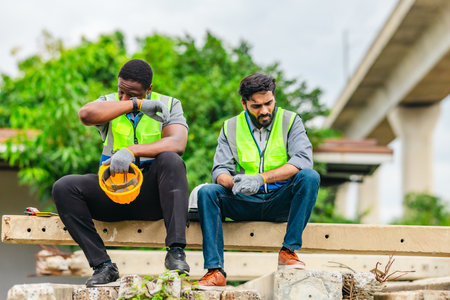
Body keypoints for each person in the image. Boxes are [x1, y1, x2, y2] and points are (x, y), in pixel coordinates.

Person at [52, 59, 190, 286]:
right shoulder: (108, 102)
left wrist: (131, 150)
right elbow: (85, 115)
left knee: (172, 160)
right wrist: (135, 105)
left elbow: (178, 142)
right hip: (113, 193)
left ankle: (175, 252)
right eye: (121, 92)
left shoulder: (170, 104)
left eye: (134, 94)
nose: (125, 98)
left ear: (149, 90)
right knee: (64, 187)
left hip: (152, 197)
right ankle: (102, 266)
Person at [196, 73, 320, 289]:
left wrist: (260, 178)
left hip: (280, 201)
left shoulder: (291, 121)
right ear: (244, 103)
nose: (264, 110)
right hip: (244, 200)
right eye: (256, 106)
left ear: (274, 98)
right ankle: (215, 271)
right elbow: (219, 170)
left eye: (268, 103)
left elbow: (302, 160)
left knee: (310, 177)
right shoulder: (231, 127)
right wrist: (234, 183)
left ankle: (288, 251)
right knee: (207, 192)